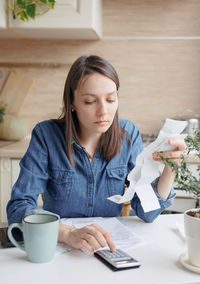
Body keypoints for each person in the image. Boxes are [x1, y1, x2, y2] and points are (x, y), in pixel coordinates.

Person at [7, 55, 187, 254]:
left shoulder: (128, 134)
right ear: (72, 103)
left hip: (109, 249)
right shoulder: (46, 135)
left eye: (111, 99)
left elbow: (148, 212)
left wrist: (171, 169)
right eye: (90, 101)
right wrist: (67, 233)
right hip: (59, 248)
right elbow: (18, 208)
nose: (104, 111)